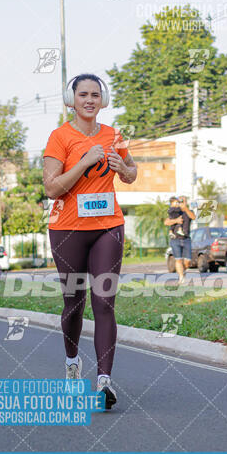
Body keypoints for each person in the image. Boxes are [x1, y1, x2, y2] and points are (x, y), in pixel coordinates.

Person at [43, 73, 137, 409]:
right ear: (73, 99)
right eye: (83, 94)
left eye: (95, 94)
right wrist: (84, 162)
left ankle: (104, 382)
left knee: (104, 301)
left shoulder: (114, 135)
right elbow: (51, 188)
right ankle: (72, 361)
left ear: (103, 99)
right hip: (67, 229)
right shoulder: (60, 137)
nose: (89, 100)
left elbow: (131, 172)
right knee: (74, 304)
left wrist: (121, 168)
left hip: (108, 226)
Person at [164, 196, 195, 284]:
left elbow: (193, 217)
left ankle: (182, 271)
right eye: (179, 201)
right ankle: (181, 277)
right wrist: (176, 220)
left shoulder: (189, 211)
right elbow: (166, 222)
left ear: (186, 202)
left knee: (187, 262)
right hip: (175, 239)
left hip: (186, 239)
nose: (181, 203)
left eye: (183, 201)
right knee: (178, 260)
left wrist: (186, 209)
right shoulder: (175, 212)